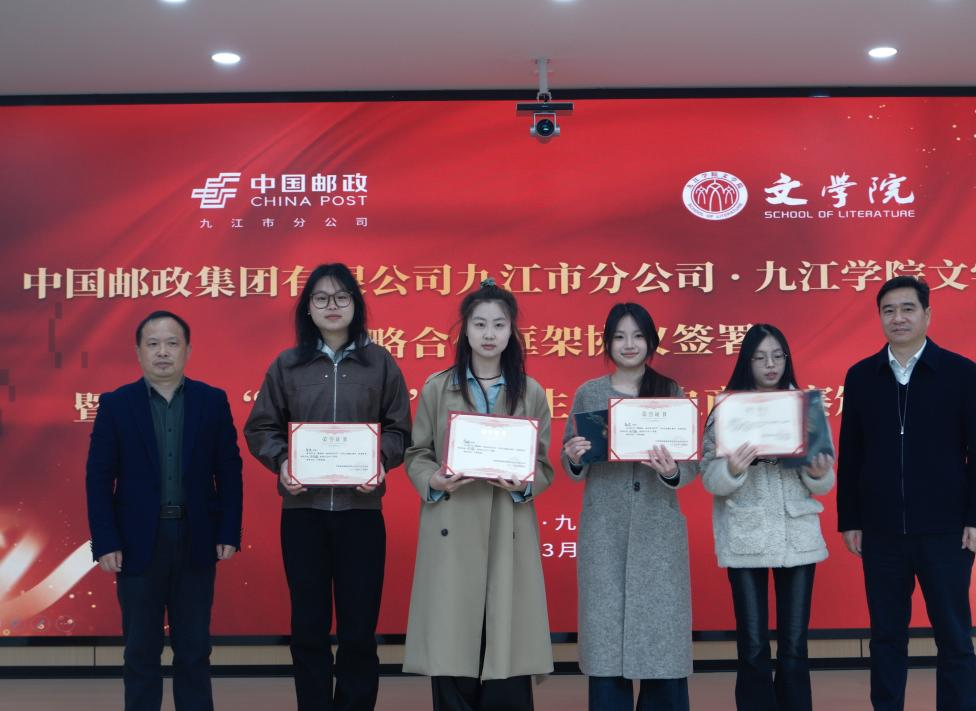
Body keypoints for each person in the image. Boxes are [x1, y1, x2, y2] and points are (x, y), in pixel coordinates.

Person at [244, 263, 412, 711]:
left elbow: (400, 429)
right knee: (309, 628)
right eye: (321, 298)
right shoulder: (288, 365)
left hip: (361, 515)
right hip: (304, 516)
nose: (331, 306)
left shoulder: (380, 363)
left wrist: (380, 460)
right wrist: (282, 462)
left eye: (341, 297)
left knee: (359, 630)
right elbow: (261, 428)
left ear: (355, 304)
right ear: (308, 308)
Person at [837, 275, 976, 711]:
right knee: (886, 637)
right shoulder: (861, 376)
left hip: (947, 531)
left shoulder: (962, 374)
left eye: (908, 308)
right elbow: (851, 454)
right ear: (879, 318)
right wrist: (850, 519)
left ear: (927, 314)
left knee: (953, 635)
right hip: (881, 532)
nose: (898, 318)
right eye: (888, 310)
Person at [403, 278, 554, 711]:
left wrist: (523, 484)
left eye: (499, 325)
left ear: (511, 332)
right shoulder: (437, 387)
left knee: (506, 642)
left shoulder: (531, 391)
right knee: (454, 646)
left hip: (507, 528)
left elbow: (543, 465)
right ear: (465, 330)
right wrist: (433, 480)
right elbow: (417, 453)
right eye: (480, 324)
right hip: (453, 527)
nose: (489, 334)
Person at [85, 311, 243, 711]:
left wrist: (228, 531)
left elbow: (228, 470)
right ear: (138, 352)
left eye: (172, 343)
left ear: (187, 350)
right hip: (137, 542)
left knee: (194, 648)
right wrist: (105, 540)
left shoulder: (212, 401)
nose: (162, 352)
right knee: (140, 650)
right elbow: (99, 478)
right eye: (152, 344)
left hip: (196, 537)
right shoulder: (116, 404)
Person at [561, 302, 697, 711]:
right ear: (607, 343)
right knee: (606, 647)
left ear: (651, 341)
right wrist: (574, 456)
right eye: (619, 336)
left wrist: (672, 470)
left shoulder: (670, 391)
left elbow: (690, 465)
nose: (629, 344)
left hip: (658, 534)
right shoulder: (589, 393)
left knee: (661, 647)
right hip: (606, 531)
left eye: (637, 335)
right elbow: (571, 462)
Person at [699, 324, 835, 711]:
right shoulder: (727, 411)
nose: (770, 364)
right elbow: (710, 478)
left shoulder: (805, 409)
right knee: (753, 644)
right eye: (760, 357)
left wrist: (818, 472)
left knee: (794, 644)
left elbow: (826, 482)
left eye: (777, 356)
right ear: (747, 362)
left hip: (797, 533)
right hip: (746, 534)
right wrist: (733, 468)